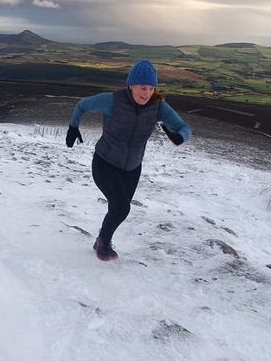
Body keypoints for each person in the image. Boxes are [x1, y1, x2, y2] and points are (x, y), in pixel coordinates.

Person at [65, 59, 191, 261]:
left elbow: (184, 127)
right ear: (131, 85)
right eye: (143, 87)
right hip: (105, 163)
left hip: (132, 168)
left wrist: (179, 137)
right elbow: (82, 105)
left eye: (151, 88)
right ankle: (103, 242)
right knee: (121, 207)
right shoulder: (112, 100)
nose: (147, 93)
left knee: (119, 209)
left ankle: (102, 240)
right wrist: (73, 127)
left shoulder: (158, 107)